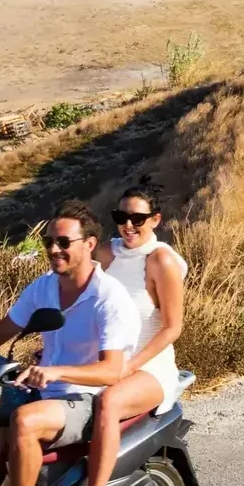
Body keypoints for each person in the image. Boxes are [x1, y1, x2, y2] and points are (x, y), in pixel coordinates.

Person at [0, 210, 143, 486]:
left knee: (25, 420)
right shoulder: (45, 286)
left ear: (90, 244)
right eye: (48, 241)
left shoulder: (108, 297)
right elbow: (3, 330)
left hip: (84, 397)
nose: (54, 249)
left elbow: (111, 371)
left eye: (64, 242)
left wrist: (57, 371)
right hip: (44, 389)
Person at [94, 190, 188, 469]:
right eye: (121, 217)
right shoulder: (105, 253)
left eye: (138, 218)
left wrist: (131, 365)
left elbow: (172, 328)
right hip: (106, 360)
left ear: (155, 220)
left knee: (109, 402)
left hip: (148, 366)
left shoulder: (161, 261)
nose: (128, 225)